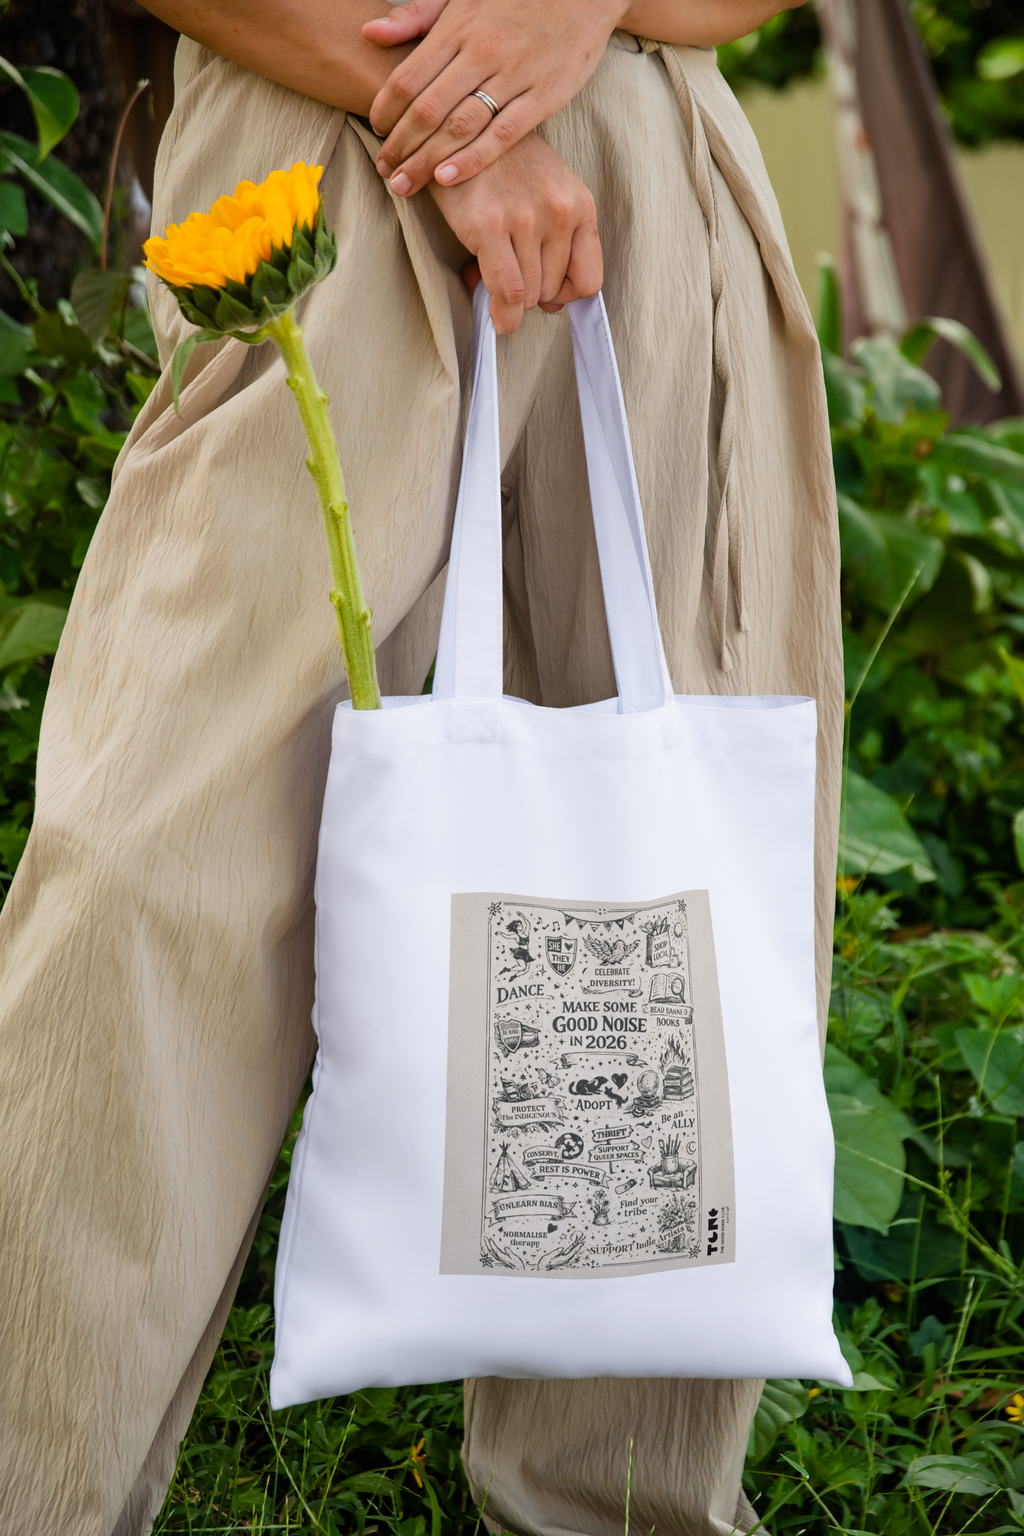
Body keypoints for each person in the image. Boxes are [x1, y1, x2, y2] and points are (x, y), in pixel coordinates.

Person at [0, 0, 843, 1530]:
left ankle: (615, 1505)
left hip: (657, 189)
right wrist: (466, 123)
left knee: (646, 928)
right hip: (312, 163)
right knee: (140, 877)